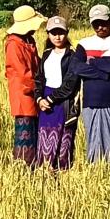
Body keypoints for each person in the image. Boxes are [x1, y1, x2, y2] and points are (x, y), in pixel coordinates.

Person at [75, 4, 110, 166]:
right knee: (94, 144)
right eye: (96, 24)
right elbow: (77, 68)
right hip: (91, 102)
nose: (100, 27)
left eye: (103, 23)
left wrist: (92, 62)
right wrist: (104, 73)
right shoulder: (84, 43)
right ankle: (97, 173)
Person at [36, 17, 81, 170]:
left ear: (67, 33)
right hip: (45, 101)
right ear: (48, 34)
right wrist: (39, 99)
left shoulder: (73, 55)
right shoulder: (46, 54)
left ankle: (62, 172)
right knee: (45, 136)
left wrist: (50, 99)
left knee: (63, 139)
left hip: (63, 102)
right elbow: (39, 79)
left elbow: (70, 84)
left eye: (61, 33)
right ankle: (45, 171)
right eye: (53, 33)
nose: (57, 37)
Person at [4, 6, 45, 165]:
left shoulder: (28, 40)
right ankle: (24, 167)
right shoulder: (14, 44)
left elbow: (38, 64)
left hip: (33, 93)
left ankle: (34, 165)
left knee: (34, 131)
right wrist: (39, 88)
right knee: (25, 133)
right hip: (24, 96)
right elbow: (22, 74)